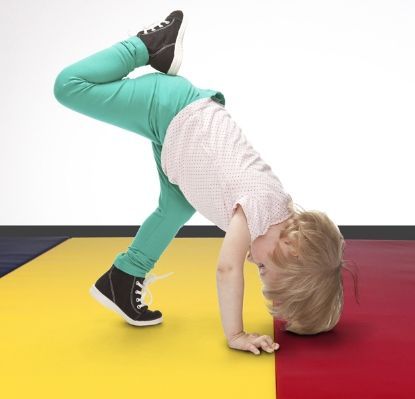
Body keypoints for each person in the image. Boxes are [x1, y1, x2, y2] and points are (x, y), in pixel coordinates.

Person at [54, 10, 351, 356]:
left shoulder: (277, 217)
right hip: (172, 108)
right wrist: (235, 333)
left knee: (173, 210)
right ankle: (148, 46)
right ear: (293, 247)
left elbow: (280, 252)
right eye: (265, 267)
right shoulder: (258, 207)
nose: (255, 264)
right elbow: (227, 268)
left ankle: (123, 277)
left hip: (181, 157)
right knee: (69, 87)